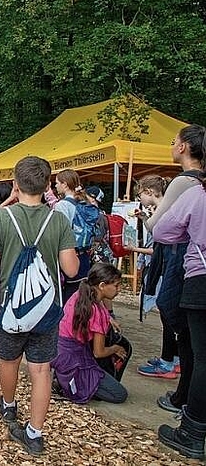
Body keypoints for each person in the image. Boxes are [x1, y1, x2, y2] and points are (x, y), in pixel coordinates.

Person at [0, 156, 79, 456]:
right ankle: (35, 434)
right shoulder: (58, 219)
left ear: (15, 184)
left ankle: (9, 407)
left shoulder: (2, 217)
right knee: (41, 370)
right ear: (48, 184)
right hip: (46, 312)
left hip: (10, 308)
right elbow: (72, 270)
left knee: (9, 361)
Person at [146, 124, 205, 415]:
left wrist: (154, 213)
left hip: (186, 260)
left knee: (182, 325)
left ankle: (185, 400)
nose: (170, 146)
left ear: (183, 147)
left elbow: (158, 227)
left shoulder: (184, 184)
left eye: (173, 141)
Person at [153, 165, 206, 460]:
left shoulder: (196, 195)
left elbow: (162, 230)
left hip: (201, 279)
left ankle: (192, 431)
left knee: (203, 358)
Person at [51, 263, 129, 404]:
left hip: (58, 348)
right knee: (120, 395)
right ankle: (66, 384)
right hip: (72, 357)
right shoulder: (96, 312)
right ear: (102, 285)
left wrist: (108, 318)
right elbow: (98, 352)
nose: (119, 290)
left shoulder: (80, 294)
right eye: (116, 286)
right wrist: (116, 349)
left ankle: (63, 378)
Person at [127, 175, 180, 379]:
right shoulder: (167, 209)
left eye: (140, 194)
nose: (139, 199)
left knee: (168, 313)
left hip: (170, 267)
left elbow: (158, 237)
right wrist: (144, 219)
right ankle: (173, 358)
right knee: (170, 316)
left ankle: (168, 362)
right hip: (169, 266)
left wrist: (136, 248)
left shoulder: (167, 209)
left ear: (149, 192)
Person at [53, 169, 93, 303]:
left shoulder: (62, 205)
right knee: (80, 292)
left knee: (69, 295)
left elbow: (61, 233)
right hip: (85, 254)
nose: (55, 186)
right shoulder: (84, 202)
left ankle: (67, 322)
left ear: (65, 185)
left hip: (70, 254)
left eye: (57, 183)